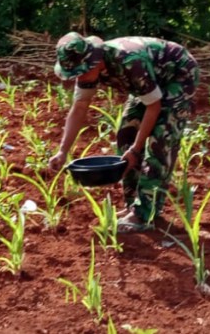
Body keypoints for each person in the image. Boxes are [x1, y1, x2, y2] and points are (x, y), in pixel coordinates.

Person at [48, 32, 199, 233]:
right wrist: (63, 151)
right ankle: (133, 205)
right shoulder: (88, 69)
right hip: (148, 81)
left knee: (160, 140)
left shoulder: (129, 62)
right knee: (126, 134)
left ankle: (146, 213)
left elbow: (153, 106)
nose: (79, 78)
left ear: (94, 62)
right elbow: (80, 106)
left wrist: (137, 149)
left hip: (177, 74)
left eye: (81, 72)